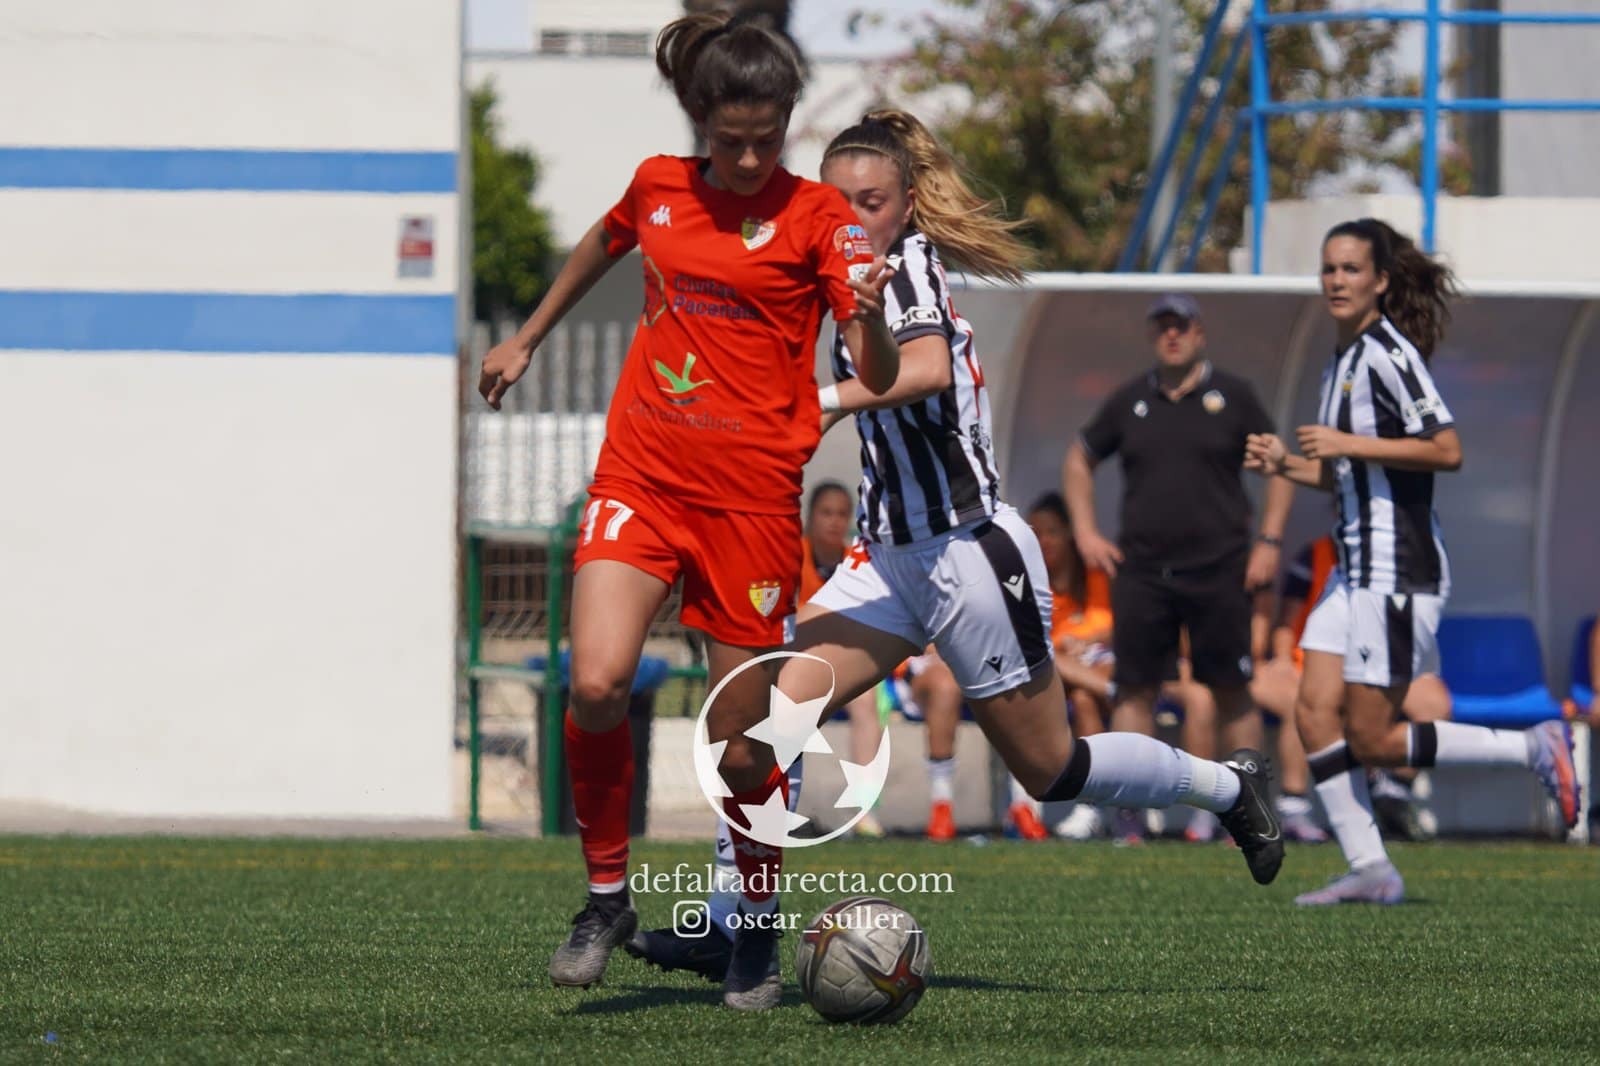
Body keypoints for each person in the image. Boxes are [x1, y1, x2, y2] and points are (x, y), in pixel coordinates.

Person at [628, 108, 1285, 1008]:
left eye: (876, 201)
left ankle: (1225, 785)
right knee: (753, 722)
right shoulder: (831, 272)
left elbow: (928, 367)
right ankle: (734, 930)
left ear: (906, 206)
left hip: (968, 555)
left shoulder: (904, 271)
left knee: (1052, 772)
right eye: (841, 200)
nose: (857, 217)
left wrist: (815, 402)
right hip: (887, 561)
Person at [477, 10, 901, 1007]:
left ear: (789, 122)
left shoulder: (820, 223)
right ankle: (606, 895)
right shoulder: (658, 186)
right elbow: (599, 239)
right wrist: (528, 336)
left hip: (751, 503)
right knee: (594, 680)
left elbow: (873, 369)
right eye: (729, 140)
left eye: (767, 138)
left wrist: (872, 315)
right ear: (699, 121)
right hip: (642, 475)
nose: (748, 157)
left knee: (743, 745)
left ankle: (753, 928)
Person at [1244, 217, 1580, 906]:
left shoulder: (1389, 355)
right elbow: (1349, 477)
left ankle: (1533, 748)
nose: (1336, 280)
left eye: (1350, 269)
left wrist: (1346, 444)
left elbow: (1446, 449)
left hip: (1399, 571)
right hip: (1355, 570)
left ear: (1381, 281)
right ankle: (1370, 865)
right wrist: (1291, 464)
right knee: (1313, 713)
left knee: (1373, 737)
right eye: (1329, 268)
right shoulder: (1341, 361)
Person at [1063, 293, 1296, 844]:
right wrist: (1085, 532)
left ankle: (1244, 810)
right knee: (1134, 690)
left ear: (1199, 334)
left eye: (1182, 327)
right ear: (1153, 336)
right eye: (1163, 327)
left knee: (1231, 689)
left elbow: (1280, 466)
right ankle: (1130, 818)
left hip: (1221, 568)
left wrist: (1269, 540)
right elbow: (1079, 459)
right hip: (1143, 572)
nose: (1172, 336)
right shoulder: (1130, 401)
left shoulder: (1233, 398)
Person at [799, 481, 886, 838]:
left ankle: (863, 810)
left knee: (867, 701)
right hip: (800, 661)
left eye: (842, 514)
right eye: (826, 513)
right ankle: (781, 806)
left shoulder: (858, 564)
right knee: (791, 703)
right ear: (810, 518)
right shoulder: (791, 556)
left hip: (849, 663)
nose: (834, 522)